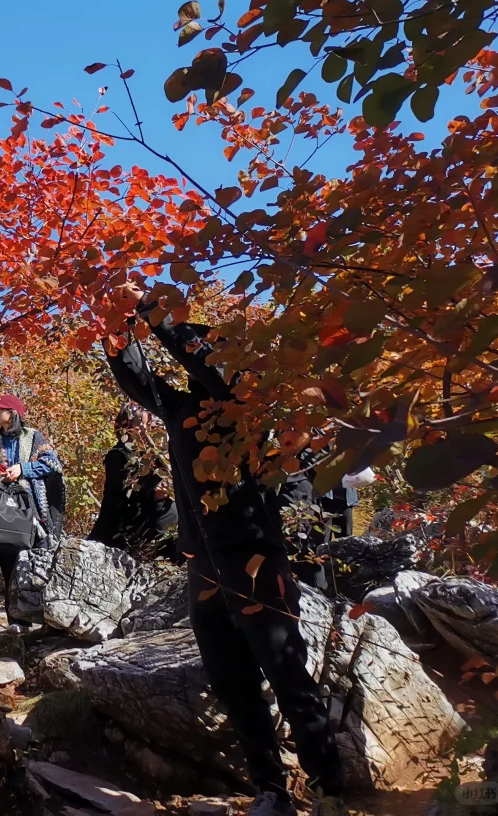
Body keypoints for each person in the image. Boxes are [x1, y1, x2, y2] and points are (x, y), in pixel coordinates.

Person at [103, 289, 345, 816]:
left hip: (254, 559)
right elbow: (137, 379)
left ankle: (330, 786)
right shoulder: (184, 411)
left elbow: (212, 366)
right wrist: (116, 327)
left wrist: (160, 318)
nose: (198, 359)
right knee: (233, 687)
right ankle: (272, 791)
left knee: (287, 677)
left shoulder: (245, 403)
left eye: (205, 350)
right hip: (203, 568)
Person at [0, 394, 64, 598]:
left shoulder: (33, 437)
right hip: (3, 511)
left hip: (33, 511)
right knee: (8, 562)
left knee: (37, 562)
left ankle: (40, 615)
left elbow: (53, 464)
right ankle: (17, 621)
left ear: (12, 414)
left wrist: (23, 469)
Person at [88, 404, 179, 561]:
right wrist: (155, 489)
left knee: (178, 514)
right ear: (127, 427)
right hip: (123, 524)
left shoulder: (152, 455)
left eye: (148, 425)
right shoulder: (117, 455)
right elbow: (130, 492)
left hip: (148, 514)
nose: (146, 429)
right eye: (142, 425)